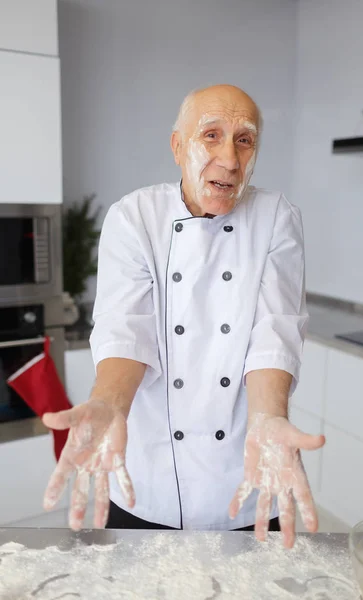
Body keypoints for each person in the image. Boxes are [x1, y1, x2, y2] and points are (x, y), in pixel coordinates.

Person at [43, 84, 325, 549]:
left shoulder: (276, 216)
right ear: (178, 146)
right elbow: (126, 332)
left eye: (245, 140)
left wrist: (271, 418)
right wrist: (110, 404)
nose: (230, 160)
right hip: (148, 481)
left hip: (247, 469)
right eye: (211, 135)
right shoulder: (134, 217)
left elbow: (275, 331)